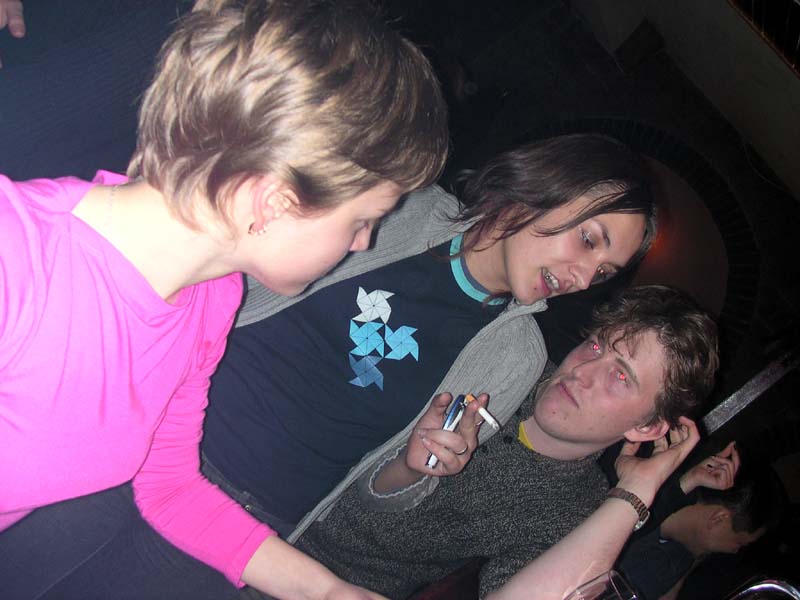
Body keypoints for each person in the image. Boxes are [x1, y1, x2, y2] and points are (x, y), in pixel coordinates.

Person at [0, 132, 656, 599]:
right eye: (588, 239)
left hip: (256, 520)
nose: (580, 277)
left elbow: (380, 494)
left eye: (602, 272)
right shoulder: (397, 206)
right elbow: (219, 266)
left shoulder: (517, 355)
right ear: (548, 188)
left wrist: (414, 466)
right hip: (148, 436)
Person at [0, 0, 448, 598]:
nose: (364, 244)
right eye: (364, 220)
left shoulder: (210, 300)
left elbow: (169, 487)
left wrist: (327, 592)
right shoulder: (19, 256)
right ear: (274, 202)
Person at [292, 285, 720, 600]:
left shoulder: (575, 508)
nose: (581, 370)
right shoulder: (510, 358)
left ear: (647, 428)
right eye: (595, 346)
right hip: (286, 487)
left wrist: (636, 492)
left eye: (620, 376)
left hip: (336, 587)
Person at [617, 447, 785, 600]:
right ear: (718, 519)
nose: (734, 551)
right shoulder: (635, 501)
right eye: (739, 543)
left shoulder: (681, 559)